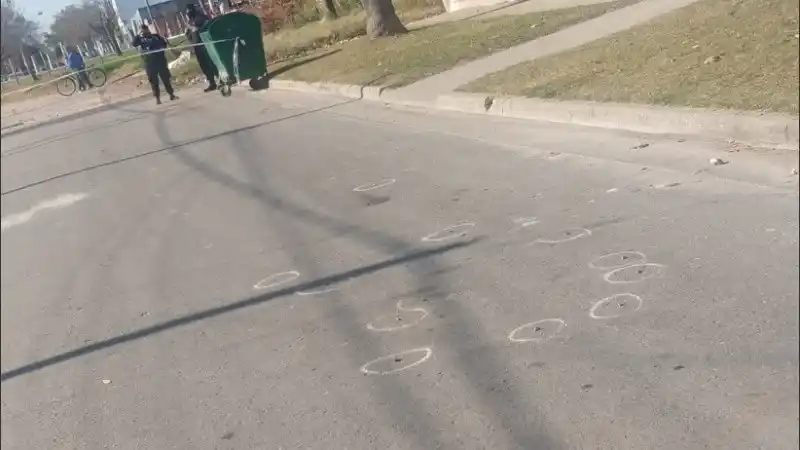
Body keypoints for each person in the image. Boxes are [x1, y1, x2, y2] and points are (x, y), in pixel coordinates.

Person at [132, 24, 178, 105]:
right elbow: (134, 43)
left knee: (166, 79)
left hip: (160, 61)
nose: (144, 32)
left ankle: (171, 95)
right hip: (149, 63)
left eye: (145, 29)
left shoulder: (155, 36)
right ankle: (158, 98)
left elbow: (164, 44)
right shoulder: (140, 39)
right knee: (154, 82)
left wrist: (161, 47)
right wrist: (138, 34)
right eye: (142, 30)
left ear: (147, 29)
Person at [185, 4, 219, 92]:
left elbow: (205, 27)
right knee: (204, 66)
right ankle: (212, 83)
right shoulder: (190, 21)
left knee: (211, 63)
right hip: (197, 47)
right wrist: (188, 32)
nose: (188, 13)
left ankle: (221, 80)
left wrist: (193, 28)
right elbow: (190, 35)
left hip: (205, 45)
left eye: (189, 11)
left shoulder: (200, 17)